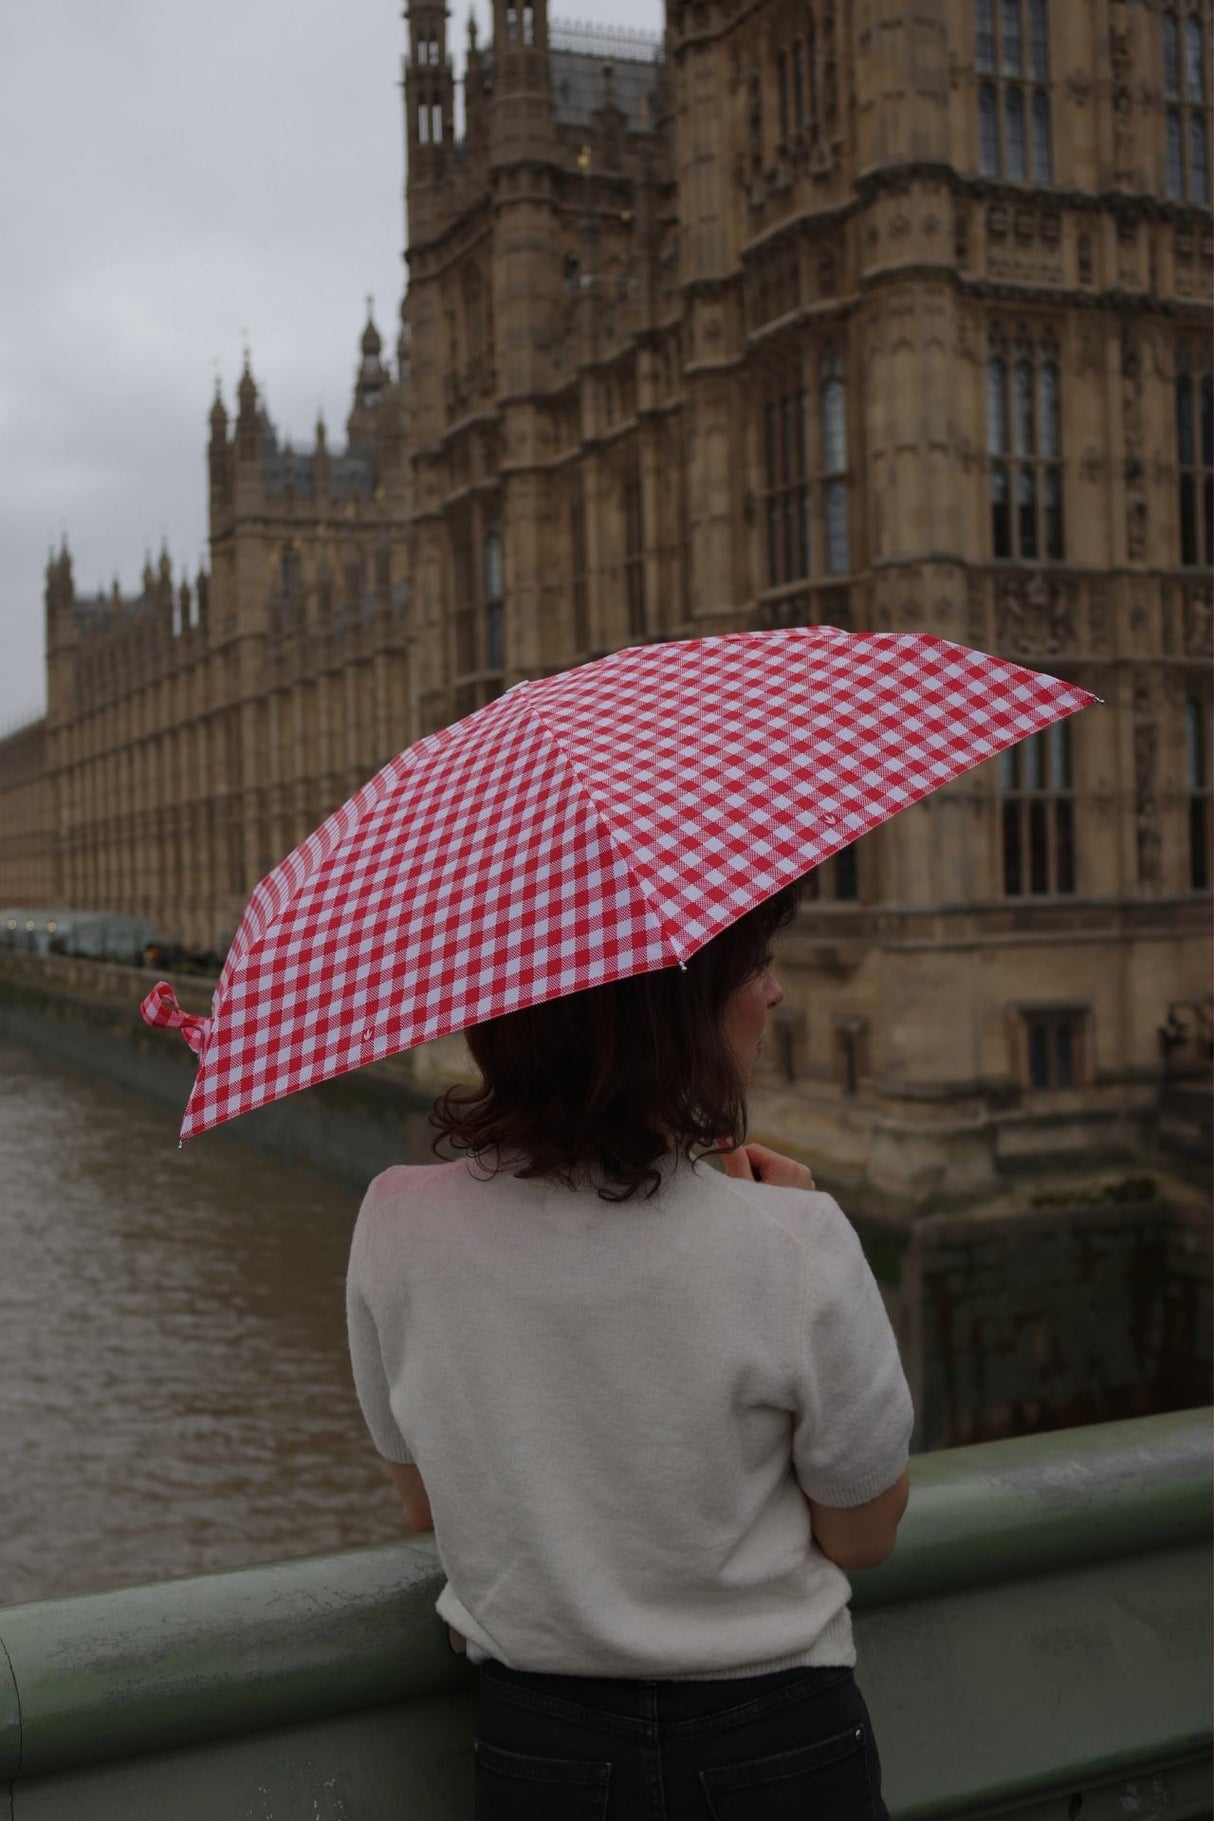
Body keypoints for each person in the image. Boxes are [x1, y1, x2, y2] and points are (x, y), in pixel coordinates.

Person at [346, 878, 914, 1819]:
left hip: (542, 1749)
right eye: (754, 964)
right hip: (777, 1742)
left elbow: (423, 1502)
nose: (773, 991)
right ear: (674, 1007)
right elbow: (864, 1532)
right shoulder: (793, 1239)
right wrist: (789, 1215)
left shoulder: (395, 1223)